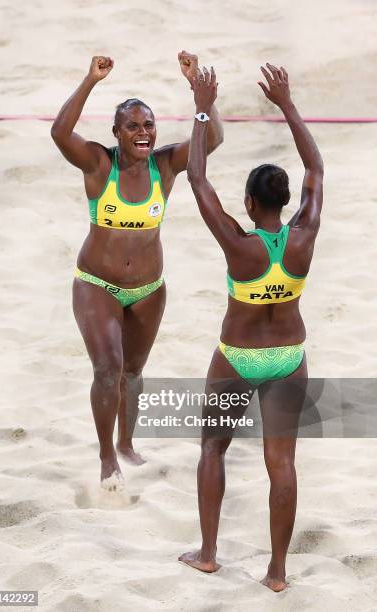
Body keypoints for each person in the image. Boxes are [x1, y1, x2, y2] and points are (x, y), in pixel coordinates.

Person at [179, 64, 323, 592]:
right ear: (284, 202)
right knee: (281, 463)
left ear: (249, 203)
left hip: (238, 356)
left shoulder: (239, 245)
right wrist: (286, 103)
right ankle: (278, 573)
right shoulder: (303, 237)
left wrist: (201, 105)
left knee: (212, 449)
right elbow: (317, 169)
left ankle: (210, 554)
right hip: (289, 355)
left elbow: (196, 179)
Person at [50, 53, 223, 488]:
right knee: (108, 368)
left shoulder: (163, 165)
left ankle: (127, 442)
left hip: (149, 288)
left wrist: (200, 96)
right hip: (97, 284)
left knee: (133, 371)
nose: (143, 133)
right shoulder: (98, 164)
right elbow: (59, 132)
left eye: (148, 125)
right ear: (116, 133)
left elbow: (213, 140)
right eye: (133, 126)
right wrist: (90, 80)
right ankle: (108, 457)